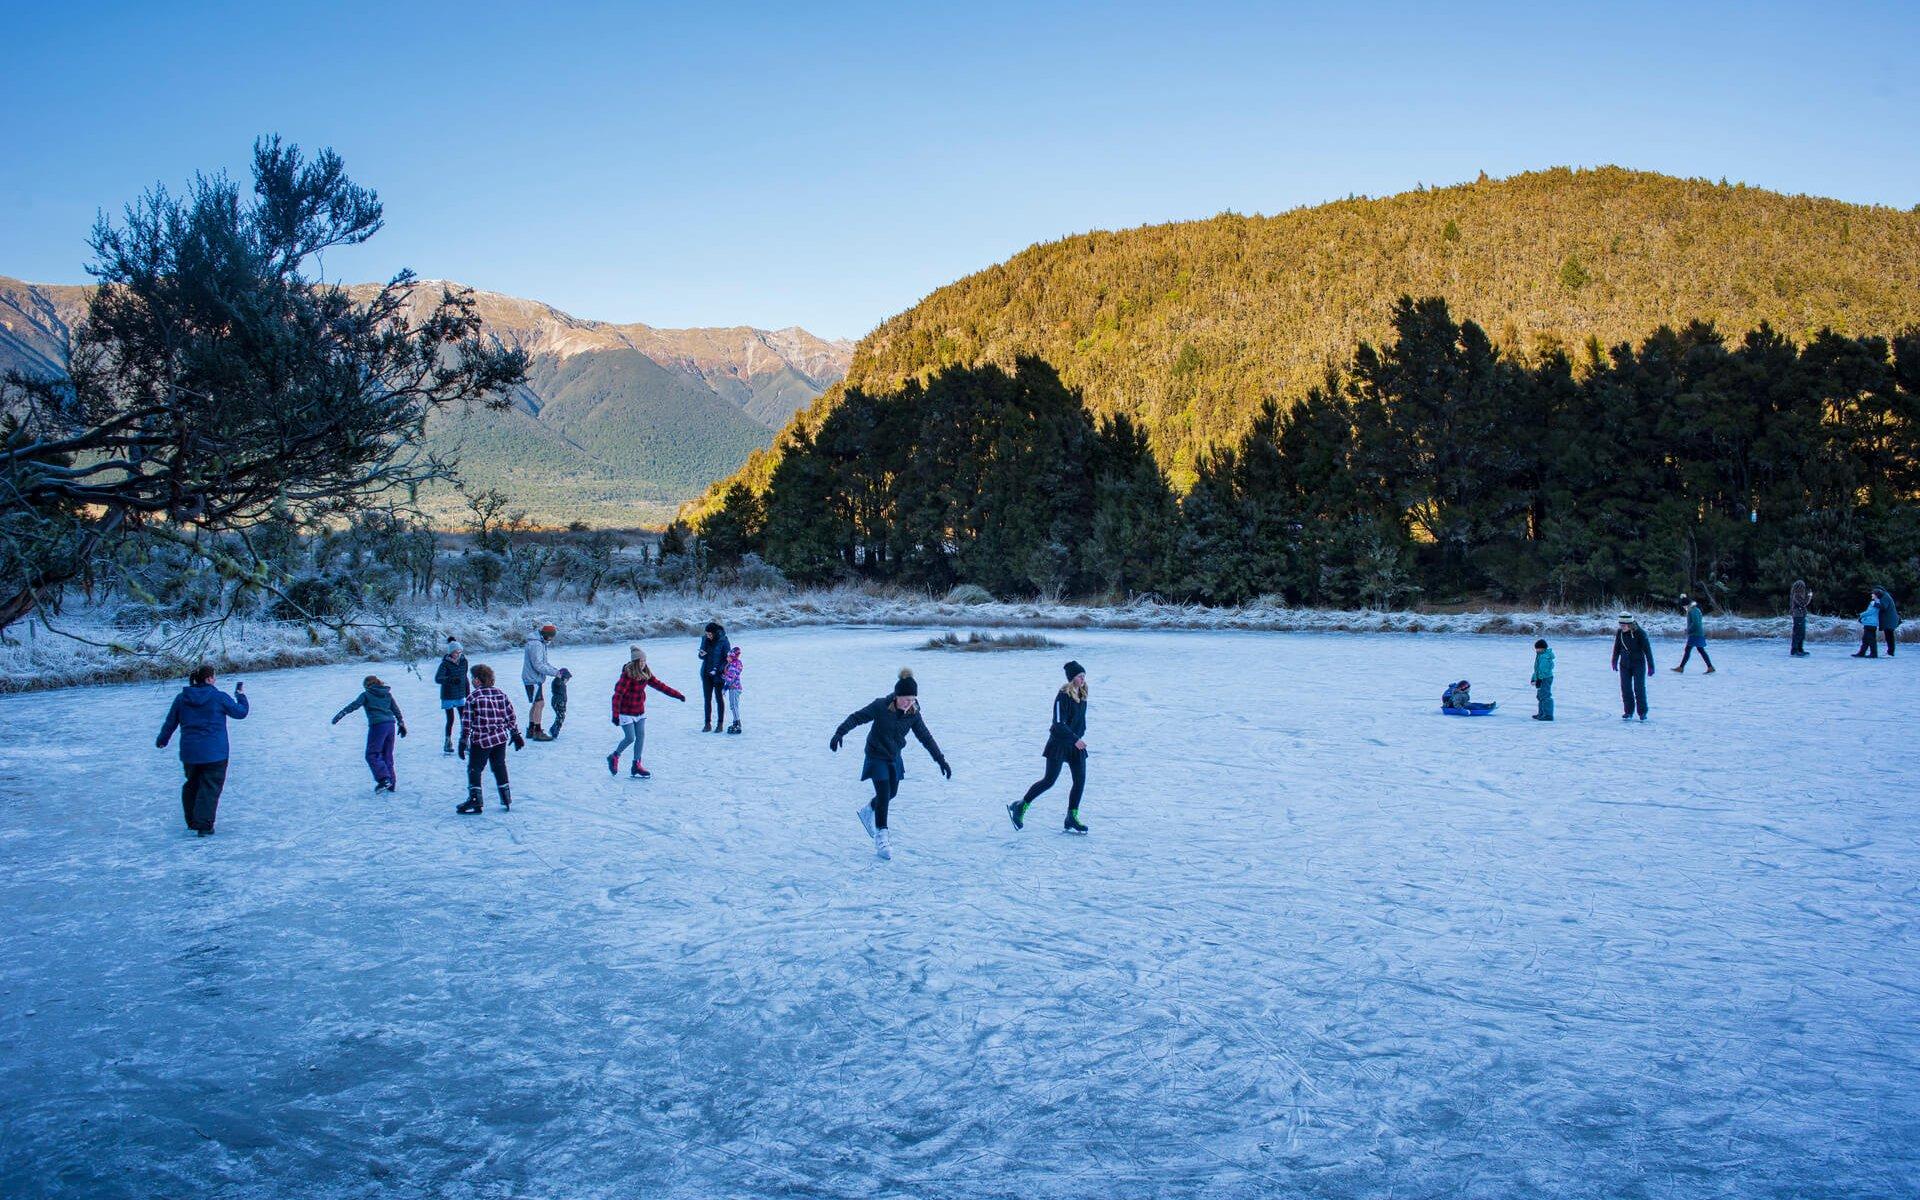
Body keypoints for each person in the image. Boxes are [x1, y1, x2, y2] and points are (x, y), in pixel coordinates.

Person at [830, 668, 951, 861]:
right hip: (876, 755)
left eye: (912, 699)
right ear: (896, 696)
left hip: (894, 757)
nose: (908, 703)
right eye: (905, 699)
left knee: (891, 793)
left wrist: (941, 760)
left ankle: (868, 810)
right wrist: (839, 732)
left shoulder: (914, 713)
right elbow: (857, 717)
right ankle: (882, 837)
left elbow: (926, 738)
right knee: (884, 792)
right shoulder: (880, 706)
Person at [156, 665, 249, 836]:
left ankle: (192, 821)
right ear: (208, 679)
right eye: (214, 677)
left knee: (192, 784)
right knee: (210, 788)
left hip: (190, 753)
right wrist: (240, 695)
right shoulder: (218, 697)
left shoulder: (181, 698)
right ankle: (204, 825)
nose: (215, 680)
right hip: (215, 753)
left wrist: (162, 740)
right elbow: (240, 712)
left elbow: (171, 722)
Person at [1008, 661, 1090, 834]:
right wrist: (1074, 738)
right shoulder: (1063, 696)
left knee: (1080, 780)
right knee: (1049, 780)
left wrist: (1079, 736)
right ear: (1071, 678)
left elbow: (1080, 721)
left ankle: (1071, 816)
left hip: (1075, 744)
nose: (1082, 679)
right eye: (1078, 676)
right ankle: (1021, 806)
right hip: (1059, 743)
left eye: (1083, 676)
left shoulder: (1082, 694)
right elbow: (1058, 723)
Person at [608, 647, 685, 778]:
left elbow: (661, 686)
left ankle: (636, 764)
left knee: (641, 736)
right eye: (640, 661)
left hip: (639, 711)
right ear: (634, 662)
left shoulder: (646, 673)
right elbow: (617, 695)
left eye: (644, 660)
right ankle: (614, 756)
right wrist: (615, 715)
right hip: (626, 712)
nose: (643, 663)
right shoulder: (627, 675)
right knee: (630, 737)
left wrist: (677, 695)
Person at [458, 663, 524, 814]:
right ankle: (506, 796)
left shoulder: (473, 698)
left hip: (481, 740)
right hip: (500, 739)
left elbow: (467, 722)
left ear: (477, 680)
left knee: (475, 769)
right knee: (499, 765)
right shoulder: (500, 694)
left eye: (472, 678)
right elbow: (510, 716)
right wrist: (515, 734)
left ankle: (475, 800)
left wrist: (463, 741)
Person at [331, 674, 408, 793]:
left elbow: (354, 705)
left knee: (372, 754)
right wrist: (401, 723)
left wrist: (342, 713)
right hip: (390, 725)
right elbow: (395, 709)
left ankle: (384, 779)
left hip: (378, 726)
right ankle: (391, 784)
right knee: (387, 754)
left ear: (367, 685)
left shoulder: (366, 694)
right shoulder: (387, 694)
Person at [521, 623, 563, 741]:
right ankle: (537, 732)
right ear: (546, 635)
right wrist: (556, 673)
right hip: (532, 679)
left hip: (533, 678)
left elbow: (543, 663)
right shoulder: (536, 645)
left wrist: (555, 670)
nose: (551, 639)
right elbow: (538, 665)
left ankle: (531, 729)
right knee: (539, 704)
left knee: (536, 704)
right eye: (551, 636)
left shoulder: (539, 643)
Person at [1611, 612, 1655, 720]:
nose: (1622, 627)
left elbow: (1647, 651)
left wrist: (1651, 666)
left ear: (1630, 624)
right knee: (1626, 688)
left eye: (1624, 625)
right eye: (1620, 625)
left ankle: (1642, 712)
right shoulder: (1620, 633)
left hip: (1638, 664)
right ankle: (1628, 711)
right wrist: (1614, 661)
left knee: (1639, 688)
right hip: (1624, 665)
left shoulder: (1640, 633)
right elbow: (1616, 648)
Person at [435, 639, 470, 753]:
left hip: (460, 694)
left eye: (460, 652)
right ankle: (447, 742)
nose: (458, 654)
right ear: (451, 653)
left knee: (464, 719)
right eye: (456, 652)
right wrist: (450, 680)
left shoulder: (464, 661)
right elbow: (438, 678)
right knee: (450, 719)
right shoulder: (445, 664)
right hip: (448, 695)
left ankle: (465, 741)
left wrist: (468, 693)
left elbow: (465, 678)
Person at [697, 622, 732, 732]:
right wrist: (701, 654)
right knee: (707, 699)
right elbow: (701, 655)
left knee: (718, 698)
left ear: (715, 633)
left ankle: (720, 724)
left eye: (710, 634)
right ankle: (707, 724)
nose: (708, 636)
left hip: (718, 675)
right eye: (707, 634)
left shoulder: (724, 641)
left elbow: (728, 659)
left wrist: (719, 670)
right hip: (706, 673)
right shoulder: (705, 639)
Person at [1672, 595, 1716, 674]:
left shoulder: (1693, 611)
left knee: (1689, 650)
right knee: (1698, 650)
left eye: (1683, 606)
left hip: (1695, 634)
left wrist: (1688, 630)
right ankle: (1710, 667)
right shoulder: (1695, 610)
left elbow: (1696, 623)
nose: (1683, 608)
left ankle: (1681, 668)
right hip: (1697, 633)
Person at [1529, 639, 1555, 721]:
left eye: (1538, 648)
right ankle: (1541, 713)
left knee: (1545, 696)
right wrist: (1533, 679)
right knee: (1540, 696)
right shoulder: (1540, 655)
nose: (1536, 650)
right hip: (1541, 678)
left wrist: (1539, 679)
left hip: (1545, 678)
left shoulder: (1545, 657)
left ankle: (1548, 715)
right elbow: (1537, 670)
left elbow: (1543, 670)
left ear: (1543, 648)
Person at [723, 646, 744, 735]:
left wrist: (723, 677)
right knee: (733, 706)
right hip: (734, 688)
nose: (727, 658)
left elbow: (730, 679)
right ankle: (735, 721)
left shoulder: (733, 666)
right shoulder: (733, 664)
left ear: (732, 657)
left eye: (728, 657)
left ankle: (737, 722)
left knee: (734, 706)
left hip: (734, 688)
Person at [1873, 586, 1900, 657]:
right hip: (1889, 620)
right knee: (1889, 636)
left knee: (1889, 636)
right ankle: (1890, 652)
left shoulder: (1885, 597)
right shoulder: (1885, 596)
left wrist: (1875, 604)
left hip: (1889, 620)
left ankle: (1890, 652)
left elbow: (1884, 607)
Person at [1854, 594, 1881, 659]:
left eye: (1873, 594)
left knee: (1870, 639)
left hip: (1870, 623)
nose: (1872, 595)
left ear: (1876, 595)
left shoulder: (1874, 603)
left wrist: (1861, 615)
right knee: (1866, 639)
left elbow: (1869, 612)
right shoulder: (1879, 603)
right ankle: (1862, 653)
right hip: (1872, 623)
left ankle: (1873, 654)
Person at [1789, 580, 1812, 657]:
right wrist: (1809, 596)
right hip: (1798, 616)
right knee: (1798, 633)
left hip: (1801, 615)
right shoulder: (1796, 595)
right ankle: (1795, 650)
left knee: (1801, 633)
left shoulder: (1798, 595)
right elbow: (1803, 604)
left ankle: (1800, 649)